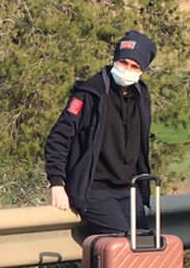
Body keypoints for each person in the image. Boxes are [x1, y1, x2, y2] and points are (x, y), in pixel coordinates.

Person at [45, 31, 157, 236]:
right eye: (123, 62)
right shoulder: (90, 94)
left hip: (129, 189)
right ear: (115, 59)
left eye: (134, 66)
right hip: (94, 190)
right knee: (124, 246)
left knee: (145, 248)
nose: (127, 69)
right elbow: (59, 138)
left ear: (143, 69)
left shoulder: (141, 96)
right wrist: (57, 183)